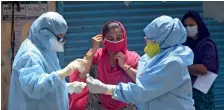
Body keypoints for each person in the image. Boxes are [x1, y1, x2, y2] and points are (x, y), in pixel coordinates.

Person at [86, 15, 196, 110]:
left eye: (151, 39)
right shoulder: (154, 58)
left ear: (164, 41)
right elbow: (142, 78)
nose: (146, 40)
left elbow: (142, 90)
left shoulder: (173, 63)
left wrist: (105, 88)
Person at [8, 12, 86, 110]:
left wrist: (68, 87)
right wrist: (65, 72)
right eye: (59, 37)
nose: (60, 42)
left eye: (63, 37)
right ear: (44, 32)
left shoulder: (47, 49)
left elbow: (49, 83)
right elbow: (35, 88)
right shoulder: (29, 55)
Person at [69, 20, 140, 110]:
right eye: (110, 39)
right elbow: (81, 74)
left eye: (118, 38)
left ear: (124, 37)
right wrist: (93, 49)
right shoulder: (96, 55)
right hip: (97, 106)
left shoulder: (133, 57)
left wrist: (125, 66)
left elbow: (143, 82)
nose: (115, 41)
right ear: (104, 40)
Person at [182, 11, 219, 110]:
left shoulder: (207, 45)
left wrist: (183, 68)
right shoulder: (185, 45)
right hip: (187, 93)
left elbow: (203, 69)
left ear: (198, 25)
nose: (188, 28)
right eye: (185, 26)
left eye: (191, 25)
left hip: (202, 94)